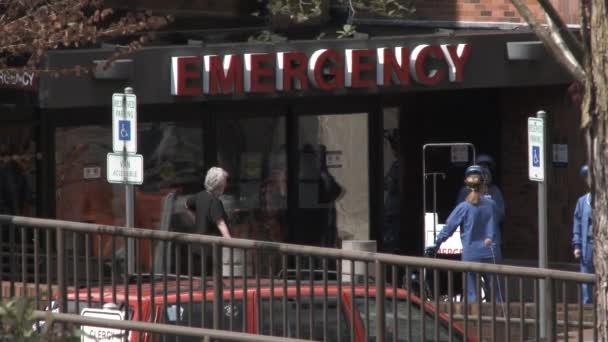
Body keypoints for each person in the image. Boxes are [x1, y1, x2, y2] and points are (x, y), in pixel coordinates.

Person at [427, 165, 502, 302]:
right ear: (483, 183)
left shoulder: (463, 207)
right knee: (496, 295)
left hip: (471, 253)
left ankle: (474, 322)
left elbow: (449, 227)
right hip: (491, 251)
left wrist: (437, 243)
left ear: (467, 186)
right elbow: (499, 217)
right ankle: (499, 322)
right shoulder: (491, 204)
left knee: (472, 294)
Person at [186, 167, 233, 238]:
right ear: (220, 184)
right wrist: (230, 242)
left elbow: (187, 205)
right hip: (210, 245)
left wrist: (196, 220)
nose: (226, 185)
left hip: (197, 241)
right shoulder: (215, 201)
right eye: (225, 182)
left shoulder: (199, 195)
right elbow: (220, 224)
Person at [456, 154, 505, 222]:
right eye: (481, 166)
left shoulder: (495, 190)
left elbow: (500, 214)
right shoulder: (465, 191)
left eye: (486, 167)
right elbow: (458, 215)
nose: (484, 170)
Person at [572, 165, 594, 304]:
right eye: (587, 177)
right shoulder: (582, 201)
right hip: (587, 244)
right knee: (586, 277)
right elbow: (577, 224)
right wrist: (577, 245)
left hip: (602, 245)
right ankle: (587, 304)